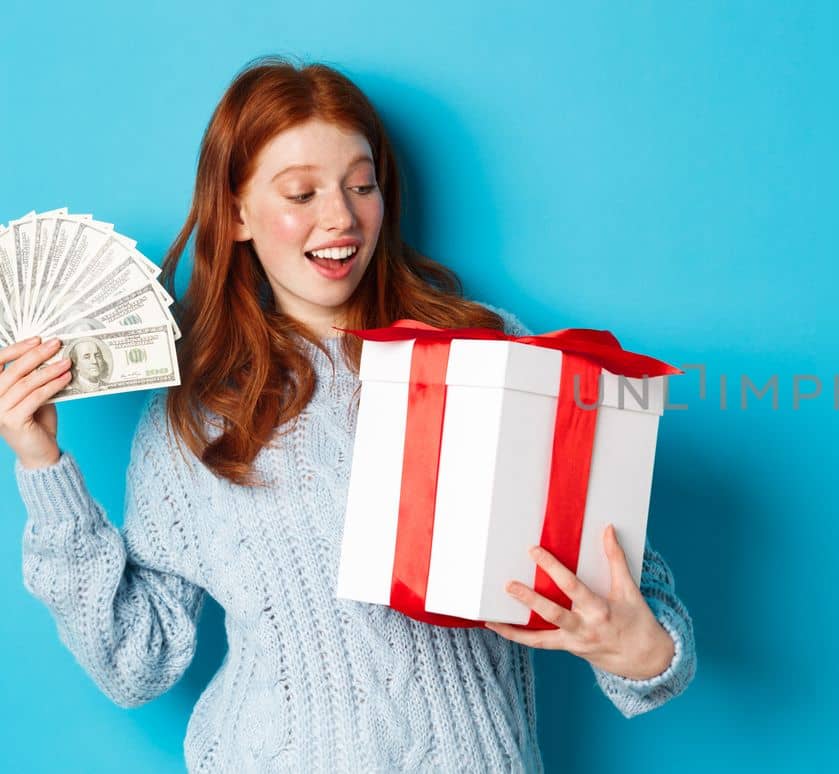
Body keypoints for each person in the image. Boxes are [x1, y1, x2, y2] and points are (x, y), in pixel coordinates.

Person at [0, 57, 695, 772]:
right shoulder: (195, 421)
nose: (340, 217)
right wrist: (41, 464)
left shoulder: (493, 357)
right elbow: (135, 665)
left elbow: (633, 598)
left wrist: (645, 652)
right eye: (301, 192)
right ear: (236, 212)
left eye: (361, 186)